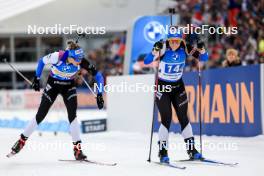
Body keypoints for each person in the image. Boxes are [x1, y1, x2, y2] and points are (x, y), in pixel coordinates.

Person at [8, 41, 104, 160]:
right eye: (77, 59)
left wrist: (99, 94)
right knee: (40, 115)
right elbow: (41, 61)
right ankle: (21, 141)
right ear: (70, 56)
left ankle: (77, 150)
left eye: (81, 59)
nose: (80, 62)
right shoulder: (58, 56)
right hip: (53, 86)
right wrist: (36, 79)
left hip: (68, 87)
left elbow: (99, 76)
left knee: (72, 116)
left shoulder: (81, 61)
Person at [144, 29, 208, 163]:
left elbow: (203, 58)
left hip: (178, 87)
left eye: (177, 41)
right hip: (163, 87)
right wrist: (153, 51)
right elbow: (147, 61)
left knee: (183, 117)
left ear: (181, 41)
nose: (174, 44)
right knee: (166, 119)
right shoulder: (162, 47)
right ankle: (162, 152)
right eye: (171, 41)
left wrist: (202, 50)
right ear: (168, 40)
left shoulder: (185, 47)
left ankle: (192, 150)